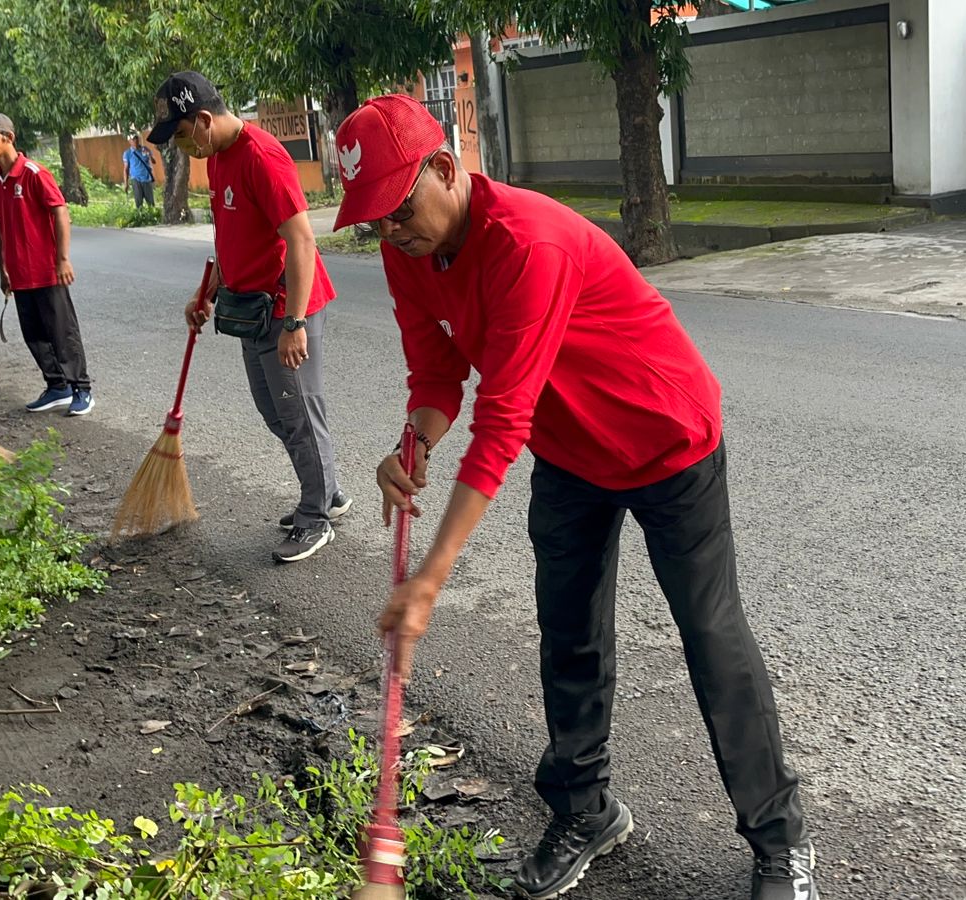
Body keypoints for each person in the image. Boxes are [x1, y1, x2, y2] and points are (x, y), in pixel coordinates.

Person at [336, 95, 820, 900]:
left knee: (710, 635)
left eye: (399, 210)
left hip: (665, 437)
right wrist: (412, 443)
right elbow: (436, 377)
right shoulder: (408, 252)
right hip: (570, 453)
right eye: (375, 223)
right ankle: (586, 810)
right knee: (568, 631)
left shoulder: (528, 241)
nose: (391, 232)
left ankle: (780, 840)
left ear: (447, 170)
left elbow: (502, 419)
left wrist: (430, 579)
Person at [151, 71, 346, 563]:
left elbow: (301, 239)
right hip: (249, 309)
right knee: (273, 410)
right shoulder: (217, 157)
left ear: (201, 120)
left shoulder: (261, 155)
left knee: (298, 413)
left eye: (177, 135)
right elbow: (231, 238)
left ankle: (315, 516)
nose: (177, 147)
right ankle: (326, 488)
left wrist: (295, 323)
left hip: (285, 307)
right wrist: (207, 293)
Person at [0, 113, 92, 415]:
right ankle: (57, 386)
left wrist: (62, 258)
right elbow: (2, 227)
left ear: (9, 138)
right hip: (19, 275)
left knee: (62, 332)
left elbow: (60, 211)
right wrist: (3, 269)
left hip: (47, 271)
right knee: (34, 334)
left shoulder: (34, 173)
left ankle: (82, 389)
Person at [121, 134, 157, 210]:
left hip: (146, 179)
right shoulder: (127, 153)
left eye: (136, 138)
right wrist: (126, 183)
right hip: (136, 179)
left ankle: (152, 217)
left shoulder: (145, 149)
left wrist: (149, 155)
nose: (135, 141)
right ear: (129, 141)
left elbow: (154, 161)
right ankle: (140, 217)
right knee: (139, 203)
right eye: (133, 139)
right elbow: (126, 169)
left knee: (150, 203)